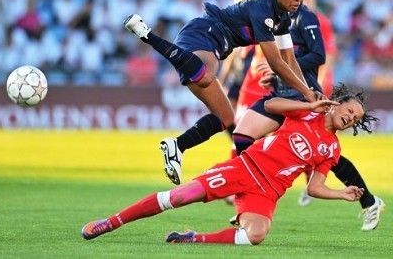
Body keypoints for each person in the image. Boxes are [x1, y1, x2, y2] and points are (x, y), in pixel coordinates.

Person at [81, 83, 378, 245]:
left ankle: (193, 239)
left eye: (355, 119)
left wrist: (342, 194)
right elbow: (271, 106)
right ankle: (112, 222)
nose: (350, 117)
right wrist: (309, 104)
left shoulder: (332, 149)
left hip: (268, 192)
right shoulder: (308, 110)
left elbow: (314, 187)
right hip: (245, 168)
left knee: (255, 236)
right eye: (350, 110)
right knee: (178, 197)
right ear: (337, 102)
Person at [123, 0, 319, 186]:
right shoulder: (262, 9)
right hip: (203, 33)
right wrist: (306, 93)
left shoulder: (282, 18)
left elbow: (290, 60)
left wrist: (308, 92)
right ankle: (147, 35)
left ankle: (176, 146)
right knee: (205, 76)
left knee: (226, 117)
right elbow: (277, 63)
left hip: (214, 48)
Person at [231, 0, 385, 231]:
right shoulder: (274, 17)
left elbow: (318, 56)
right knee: (243, 136)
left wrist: (283, 68)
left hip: (303, 95)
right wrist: (276, 74)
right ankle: (251, 193)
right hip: (281, 91)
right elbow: (277, 56)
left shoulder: (306, 17)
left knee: (326, 153)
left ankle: (369, 201)